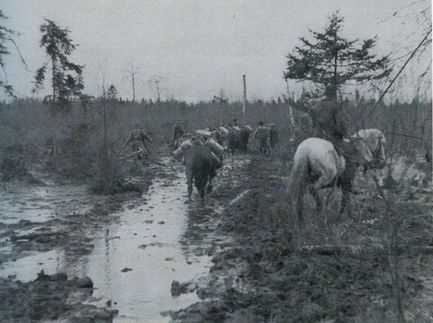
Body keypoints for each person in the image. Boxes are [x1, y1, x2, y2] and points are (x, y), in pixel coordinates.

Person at [308, 85, 359, 194]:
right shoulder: (335, 107)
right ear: (334, 95)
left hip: (315, 138)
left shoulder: (314, 107)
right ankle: (346, 183)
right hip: (332, 139)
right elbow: (340, 126)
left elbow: (312, 126)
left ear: (325, 94)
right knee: (352, 156)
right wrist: (346, 134)